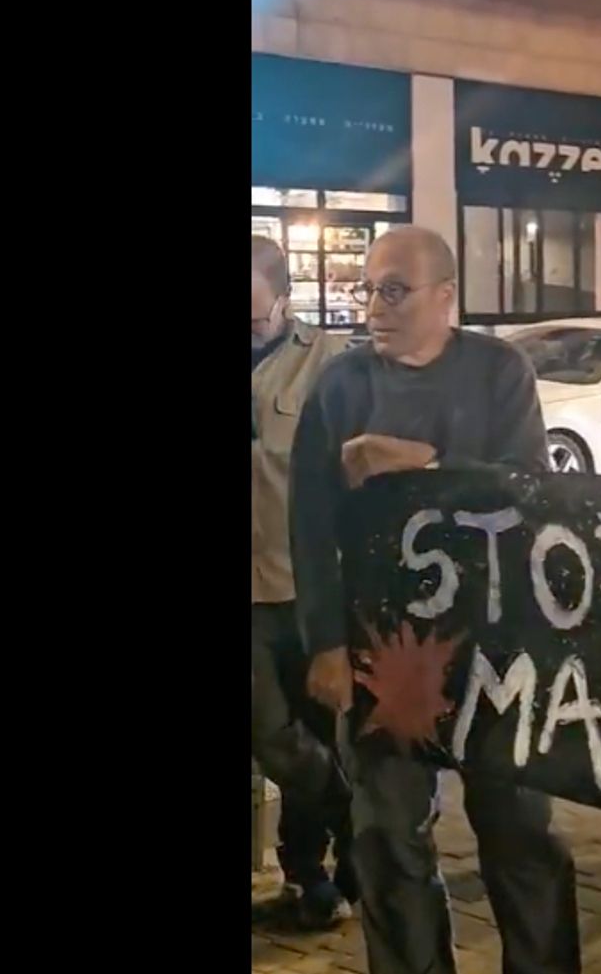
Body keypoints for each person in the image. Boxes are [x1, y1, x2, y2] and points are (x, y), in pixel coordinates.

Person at [289, 227, 582, 974]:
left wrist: (424, 465)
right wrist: (324, 639)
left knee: (518, 827)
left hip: (494, 644)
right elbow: (310, 523)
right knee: (386, 835)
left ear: (446, 296)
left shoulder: (498, 372)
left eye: (394, 290)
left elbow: (528, 494)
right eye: (368, 289)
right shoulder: (341, 384)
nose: (375, 307)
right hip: (380, 648)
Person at [251, 236, 360, 930]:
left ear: (284, 301)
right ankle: (356, 809)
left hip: (307, 587)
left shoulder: (329, 366)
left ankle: (309, 874)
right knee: (274, 736)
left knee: (314, 727)